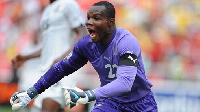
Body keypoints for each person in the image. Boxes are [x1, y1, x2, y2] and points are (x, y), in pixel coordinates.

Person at [10, 1, 158, 112]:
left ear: (110, 23)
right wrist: (31, 92)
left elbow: (125, 84)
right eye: (88, 18)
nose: (89, 23)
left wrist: (87, 95)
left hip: (141, 103)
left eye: (96, 18)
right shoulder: (85, 45)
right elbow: (60, 69)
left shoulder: (126, 42)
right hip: (109, 102)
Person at [11, 0, 87, 112]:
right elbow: (48, 46)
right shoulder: (47, 10)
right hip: (45, 71)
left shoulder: (68, 4)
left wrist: (65, 58)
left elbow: (83, 33)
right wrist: (26, 57)